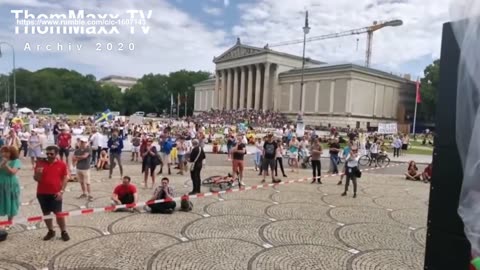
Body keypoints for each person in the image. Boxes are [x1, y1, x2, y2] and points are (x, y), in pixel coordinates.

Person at [34, 145, 70, 241]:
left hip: (55, 193)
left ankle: (64, 231)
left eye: (51, 154)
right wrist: (38, 173)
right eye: (47, 153)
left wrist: (61, 191)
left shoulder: (61, 164)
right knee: (46, 213)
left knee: (59, 213)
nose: (49, 155)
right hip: (42, 193)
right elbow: (36, 179)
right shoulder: (40, 163)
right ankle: (51, 231)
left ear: (56, 154)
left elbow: (65, 178)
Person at [0, 146, 21, 230]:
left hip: (11, 184)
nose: (4, 153)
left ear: (12, 153)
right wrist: (2, 163)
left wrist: (6, 165)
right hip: (0, 183)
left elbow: (13, 172)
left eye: (7, 152)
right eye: (2, 151)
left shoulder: (16, 161)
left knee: (11, 202)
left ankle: (9, 222)